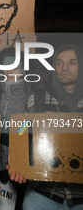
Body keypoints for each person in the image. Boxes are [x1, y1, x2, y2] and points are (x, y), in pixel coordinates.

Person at [15, 45, 83, 210]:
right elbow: (20, 132)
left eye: (72, 62)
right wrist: (19, 162)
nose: (64, 67)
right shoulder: (36, 99)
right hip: (41, 195)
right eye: (59, 63)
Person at [0, 47, 31, 209]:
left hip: (19, 165)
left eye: (14, 66)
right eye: (6, 67)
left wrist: (15, 130)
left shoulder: (31, 95)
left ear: (23, 69)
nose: (9, 71)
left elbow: (31, 128)